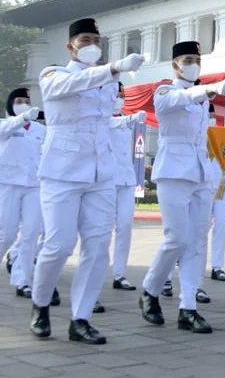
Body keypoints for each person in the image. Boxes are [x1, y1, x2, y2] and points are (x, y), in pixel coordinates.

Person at [31, 18, 145, 344]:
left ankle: (80, 318)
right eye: (85, 39)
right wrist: (112, 68)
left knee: (97, 248)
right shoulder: (54, 73)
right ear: (71, 45)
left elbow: (103, 120)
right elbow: (66, 87)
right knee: (59, 245)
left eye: (96, 39)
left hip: (100, 171)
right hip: (61, 171)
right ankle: (40, 304)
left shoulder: (108, 82)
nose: (91, 44)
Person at [139, 41, 225, 334]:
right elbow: (178, 101)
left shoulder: (203, 98)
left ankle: (188, 307)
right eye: (187, 59)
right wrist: (211, 88)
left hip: (200, 171)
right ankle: (150, 289)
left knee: (196, 241)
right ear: (175, 64)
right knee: (176, 238)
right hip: (173, 171)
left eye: (197, 59)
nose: (193, 63)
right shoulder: (165, 90)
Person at [1, 89, 43, 299]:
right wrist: (22, 118)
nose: (24, 104)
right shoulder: (4, 124)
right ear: (11, 104)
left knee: (30, 234)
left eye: (27, 101)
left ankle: (22, 280)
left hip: (34, 185)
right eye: (19, 101)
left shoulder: (38, 129)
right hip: (7, 185)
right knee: (5, 235)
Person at [110, 83, 147, 291]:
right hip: (106, 180)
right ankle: (95, 272)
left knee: (125, 226)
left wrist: (128, 119)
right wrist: (129, 119)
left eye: (122, 95)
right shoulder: (100, 116)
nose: (119, 98)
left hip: (125, 178)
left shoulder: (125, 119)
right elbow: (107, 124)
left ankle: (119, 273)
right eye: (116, 94)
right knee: (103, 230)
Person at [206, 102, 225, 283]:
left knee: (221, 225)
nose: (211, 117)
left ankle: (217, 266)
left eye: (212, 113)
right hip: (202, 184)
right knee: (200, 226)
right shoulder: (192, 133)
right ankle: (184, 256)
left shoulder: (222, 134)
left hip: (222, 184)